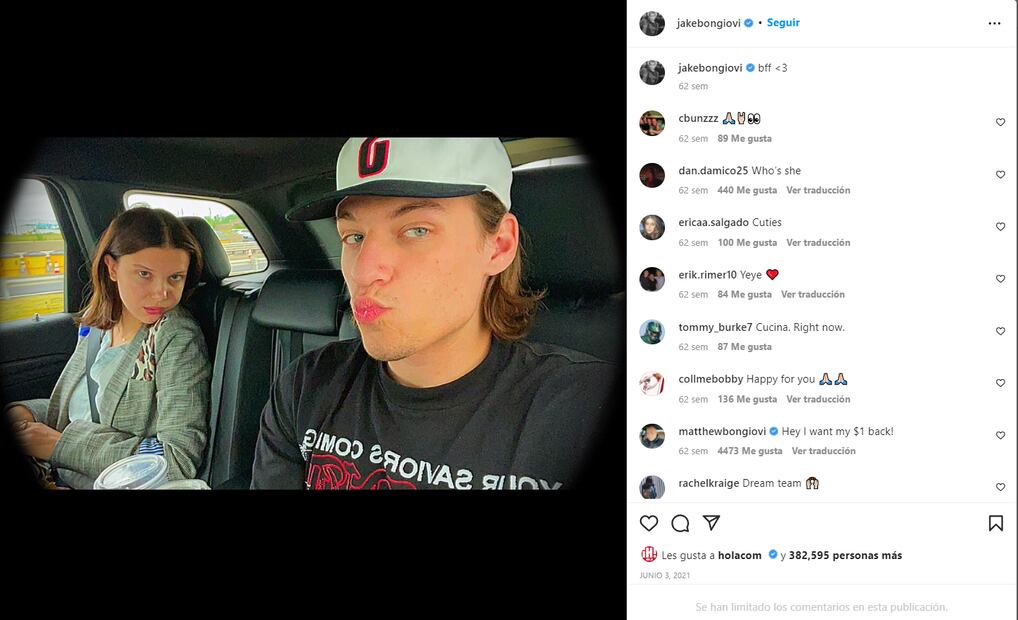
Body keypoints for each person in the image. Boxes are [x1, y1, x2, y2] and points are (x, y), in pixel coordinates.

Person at [251, 138, 616, 490]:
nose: (362, 273)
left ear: (498, 246)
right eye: (354, 237)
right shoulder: (306, 387)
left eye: (417, 230)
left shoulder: (588, 410)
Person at [4, 207, 211, 489]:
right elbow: (79, 413)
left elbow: (176, 461)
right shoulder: (97, 326)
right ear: (112, 268)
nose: (161, 293)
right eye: (144, 274)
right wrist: (28, 414)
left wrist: (58, 445)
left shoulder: (175, 336)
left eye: (175, 277)